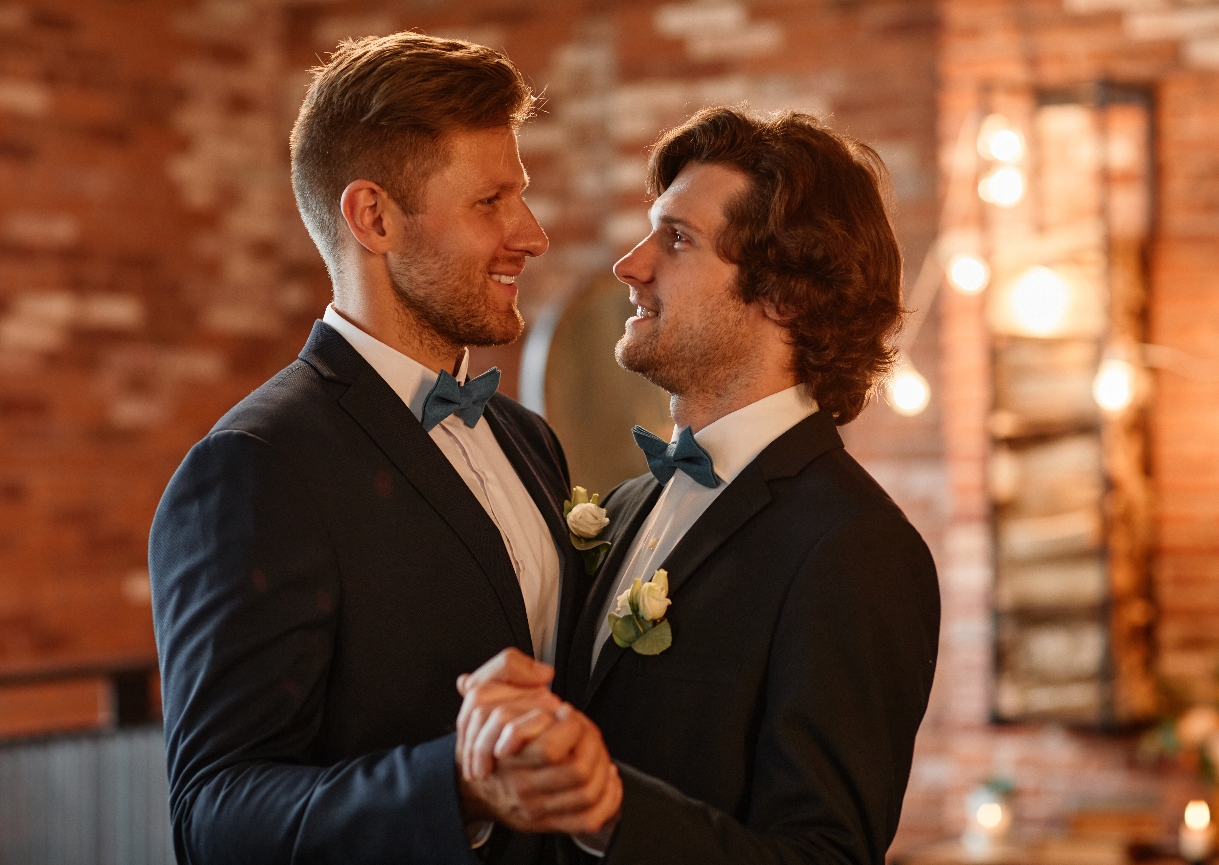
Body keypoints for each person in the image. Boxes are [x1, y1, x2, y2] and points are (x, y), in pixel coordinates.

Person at [148, 33, 620, 865]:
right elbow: (215, 814)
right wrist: (459, 786)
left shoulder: (527, 438)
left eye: (524, 196)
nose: (532, 234)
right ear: (374, 217)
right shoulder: (257, 466)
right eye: (491, 202)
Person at [457, 106, 942, 864]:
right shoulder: (624, 508)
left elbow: (827, 854)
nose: (630, 264)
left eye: (677, 238)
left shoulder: (855, 548)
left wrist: (617, 813)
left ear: (786, 295)